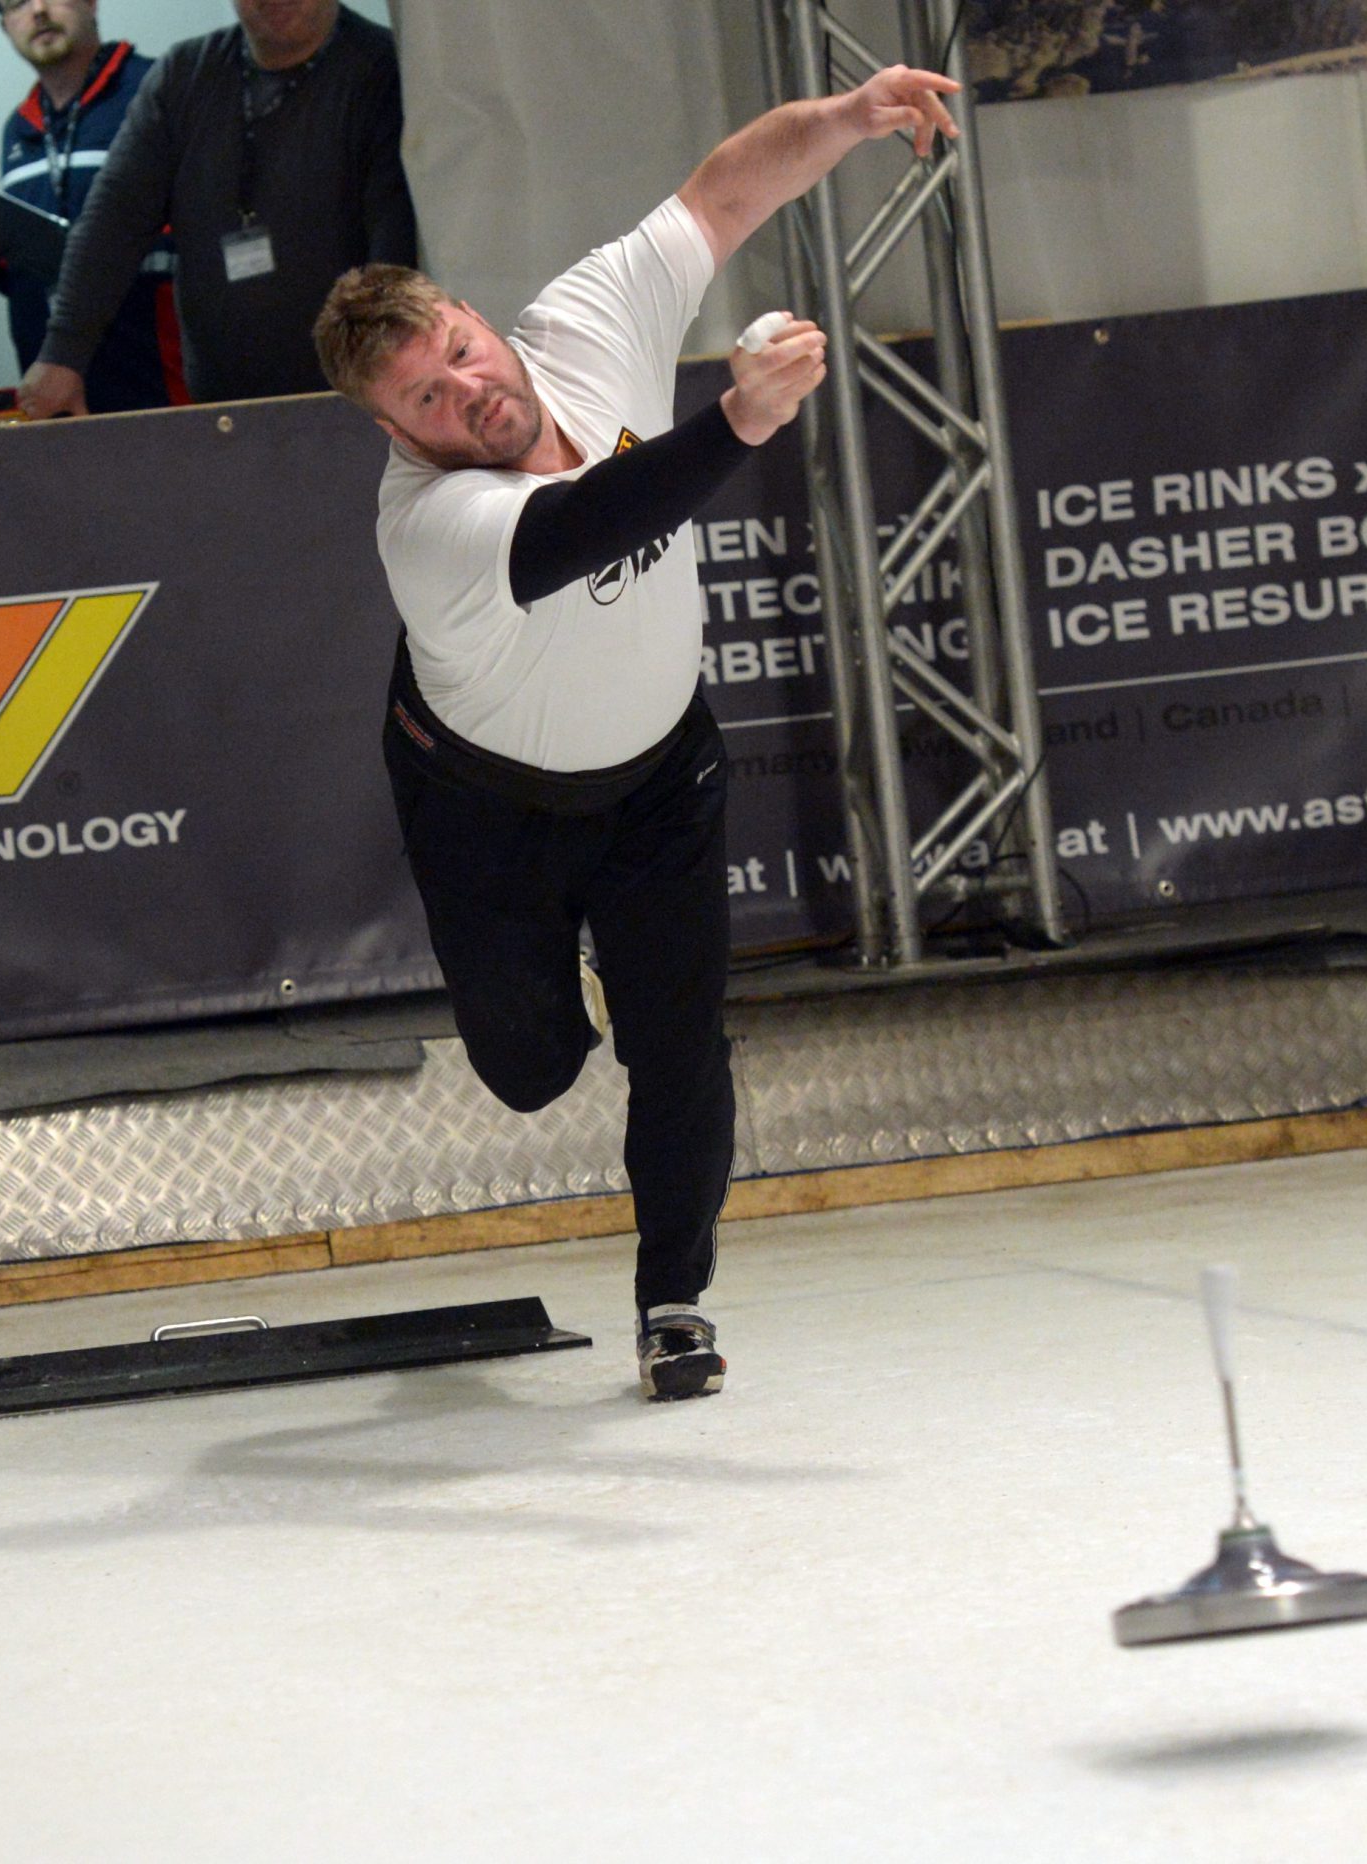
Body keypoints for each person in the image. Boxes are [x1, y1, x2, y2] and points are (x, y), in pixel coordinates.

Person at [310, 62, 964, 1401]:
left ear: (478, 318)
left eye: (460, 352)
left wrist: (849, 118)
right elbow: (594, 520)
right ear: (391, 432)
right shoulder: (429, 528)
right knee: (532, 1070)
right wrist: (741, 419)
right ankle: (557, 987)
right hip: (487, 805)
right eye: (426, 399)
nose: (468, 392)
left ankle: (675, 1300)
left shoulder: (583, 321)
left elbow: (724, 195)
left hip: (662, 773)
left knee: (681, 1043)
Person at [22, 0, 415, 416]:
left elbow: (396, 245)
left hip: (355, 401)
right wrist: (62, 354)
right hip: (221, 409)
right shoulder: (184, 75)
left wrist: (388, 377)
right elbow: (113, 222)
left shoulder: (385, 68)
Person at [0, 0, 181, 413]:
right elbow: (35, 271)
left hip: (155, 383)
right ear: (5, 26)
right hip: (50, 392)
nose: (38, 9)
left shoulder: (158, 90)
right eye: (16, 2)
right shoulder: (18, 128)